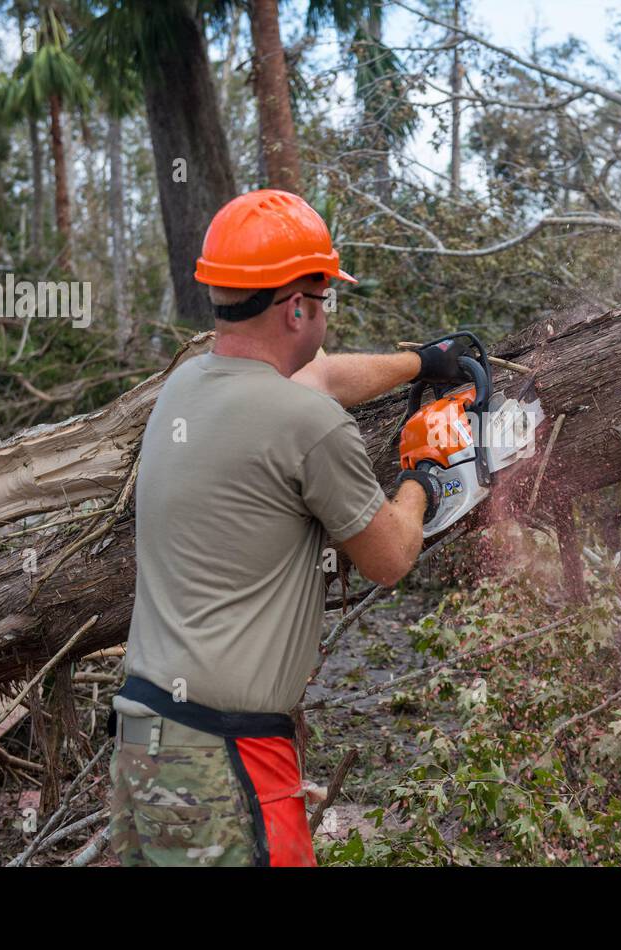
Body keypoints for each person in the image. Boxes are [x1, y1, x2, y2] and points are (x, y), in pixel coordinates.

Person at [108, 189, 469, 866]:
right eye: (323, 296)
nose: (326, 311)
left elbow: (323, 376)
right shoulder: (308, 426)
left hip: (143, 738)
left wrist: (426, 362)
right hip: (226, 756)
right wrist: (425, 472)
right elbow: (390, 557)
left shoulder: (187, 386)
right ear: (297, 306)